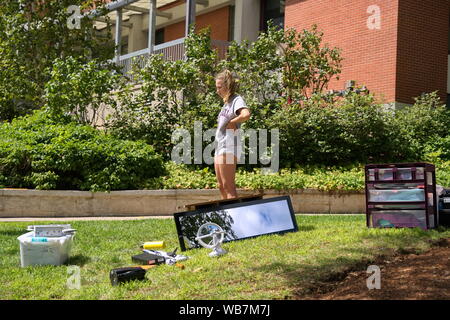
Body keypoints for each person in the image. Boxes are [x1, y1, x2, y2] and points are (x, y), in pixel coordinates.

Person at [214, 70, 251, 199]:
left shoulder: (236, 99)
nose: (217, 90)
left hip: (229, 147)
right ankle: (227, 214)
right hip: (220, 146)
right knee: (221, 185)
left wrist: (232, 122)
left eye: (219, 87)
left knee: (229, 187)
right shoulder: (227, 103)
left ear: (227, 86)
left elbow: (246, 114)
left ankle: (236, 216)